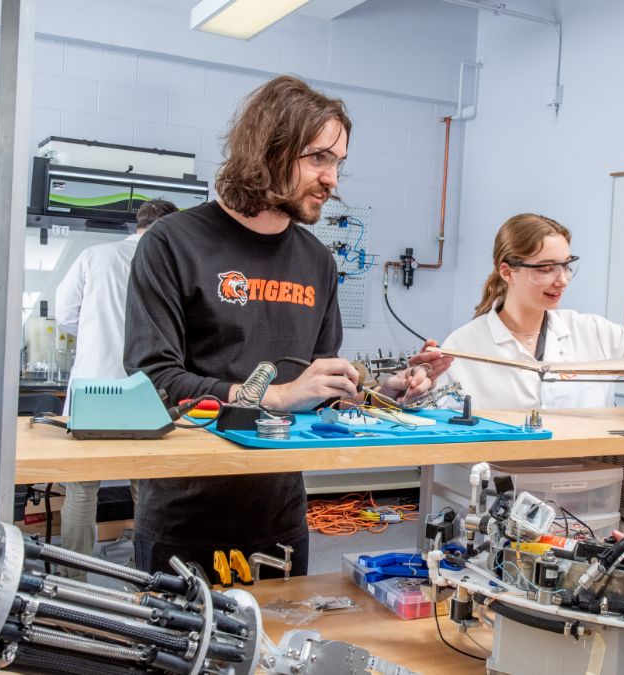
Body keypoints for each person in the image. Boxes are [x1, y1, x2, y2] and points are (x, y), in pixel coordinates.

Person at [123, 75, 440, 580]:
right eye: (318, 158)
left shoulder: (316, 261)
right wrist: (270, 397)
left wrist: (384, 392)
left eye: (338, 163)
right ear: (267, 150)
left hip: (281, 515)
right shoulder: (172, 243)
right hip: (186, 517)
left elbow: (316, 391)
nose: (332, 179)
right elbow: (153, 380)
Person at [433, 213, 624, 410]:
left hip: (589, 487)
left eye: (566, 265)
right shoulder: (463, 345)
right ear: (507, 271)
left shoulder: (590, 331)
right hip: (495, 487)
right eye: (545, 269)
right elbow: (433, 418)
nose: (562, 280)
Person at [55, 198, 177, 579]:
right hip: (146, 389)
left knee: (80, 488)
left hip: (92, 388)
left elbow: (65, 315)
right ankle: (145, 570)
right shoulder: (169, 264)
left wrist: (96, 334)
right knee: (146, 486)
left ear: (136, 225)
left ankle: (73, 578)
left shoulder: (96, 256)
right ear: (169, 229)